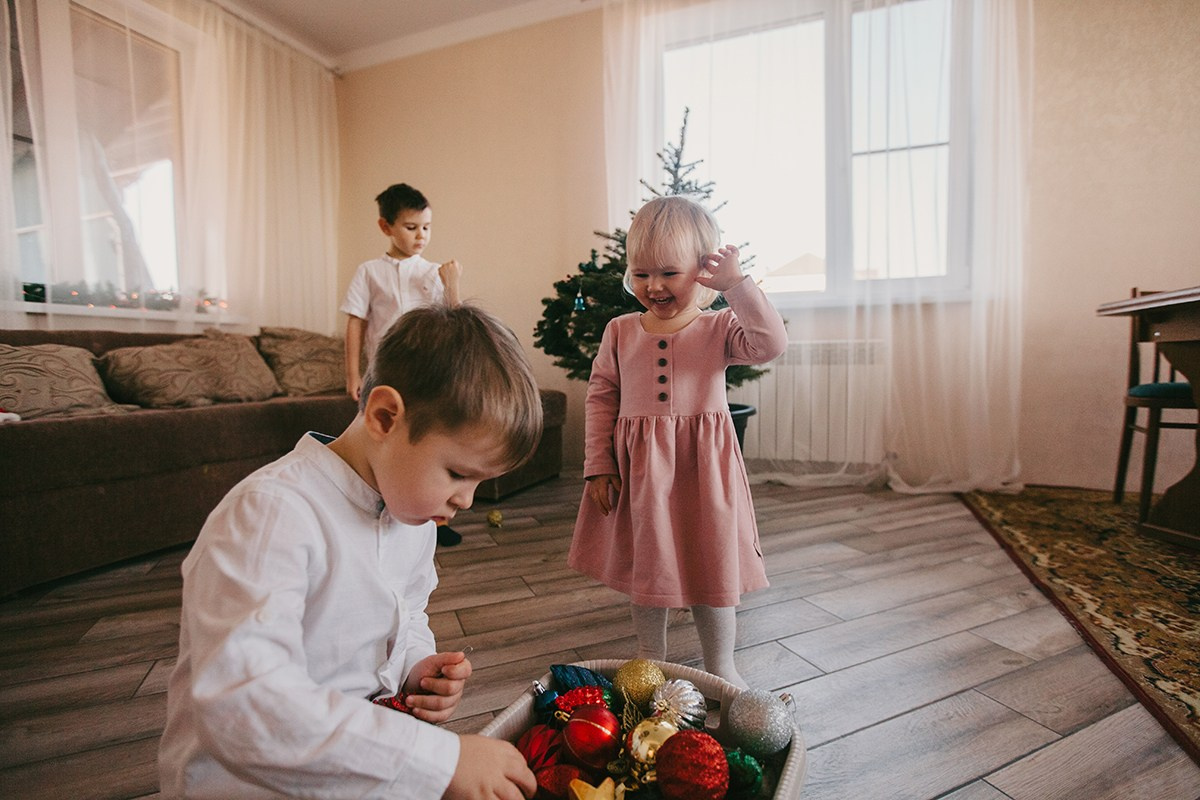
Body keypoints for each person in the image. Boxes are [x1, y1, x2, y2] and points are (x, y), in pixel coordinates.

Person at [159, 304, 542, 800]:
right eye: (457, 473)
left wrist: (413, 665)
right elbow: (244, 706)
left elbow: (407, 612)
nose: (465, 501)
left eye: (480, 482)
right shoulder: (270, 515)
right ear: (385, 416)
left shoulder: (411, 512)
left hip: (360, 770)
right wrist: (441, 760)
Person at [567, 195, 787, 688]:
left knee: (712, 565)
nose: (654, 286)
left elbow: (770, 342)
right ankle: (649, 655)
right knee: (649, 563)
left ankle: (721, 664)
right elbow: (601, 397)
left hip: (703, 471)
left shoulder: (719, 327)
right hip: (641, 472)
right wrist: (598, 464)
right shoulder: (620, 331)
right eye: (642, 273)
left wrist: (737, 286)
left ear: (701, 270)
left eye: (668, 272)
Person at [341, 182, 465, 547]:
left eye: (426, 227)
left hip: (427, 371)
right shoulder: (368, 272)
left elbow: (457, 322)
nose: (421, 235)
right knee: (382, 438)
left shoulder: (433, 273)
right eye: (411, 227)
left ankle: (434, 520)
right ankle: (379, 509)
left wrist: (453, 283)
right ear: (386, 227)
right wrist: (352, 374)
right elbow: (354, 321)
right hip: (384, 373)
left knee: (428, 440)